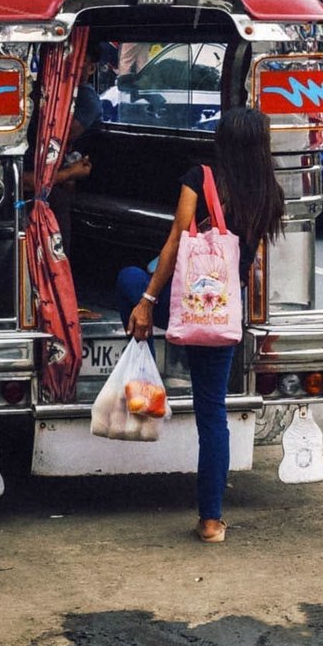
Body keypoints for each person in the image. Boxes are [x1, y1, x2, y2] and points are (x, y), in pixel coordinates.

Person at [122, 107, 287, 543]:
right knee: (212, 415)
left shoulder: (201, 177)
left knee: (128, 279)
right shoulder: (269, 191)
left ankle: (164, 351)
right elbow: (250, 262)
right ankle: (211, 521)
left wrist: (146, 302)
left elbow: (177, 240)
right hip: (220, 316)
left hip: (185, 308)